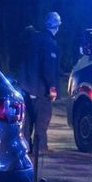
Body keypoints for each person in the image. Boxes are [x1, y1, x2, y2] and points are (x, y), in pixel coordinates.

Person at [18, 11, 61, 153]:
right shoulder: (49, 42)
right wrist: (52, 88)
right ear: (56, 27)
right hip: (41, 89)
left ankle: (25, 147)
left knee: (27, 121)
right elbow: (48, 68)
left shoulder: (33, 39)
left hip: (26, 87)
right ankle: (40, 148)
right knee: (42, 120)